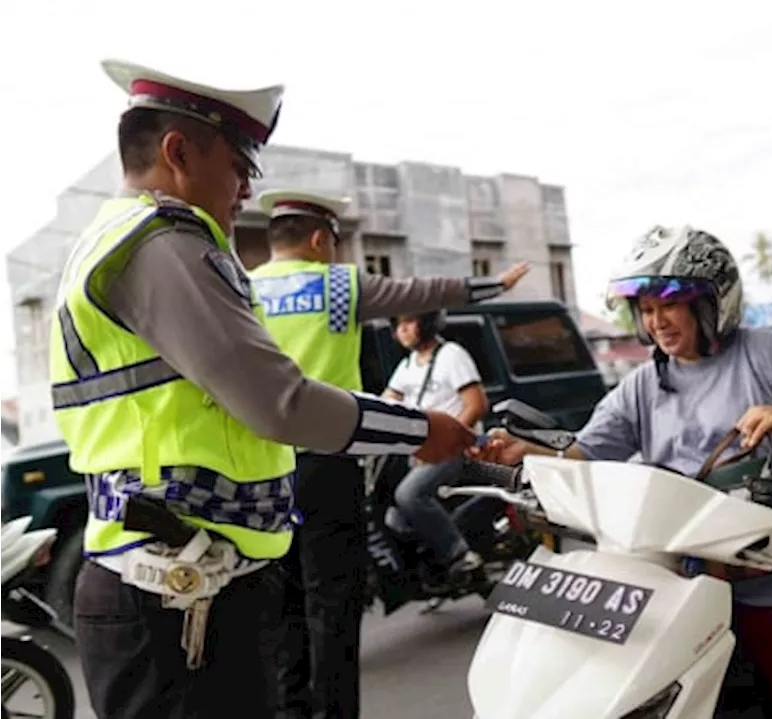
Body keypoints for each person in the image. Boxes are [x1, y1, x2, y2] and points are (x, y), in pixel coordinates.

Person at [54, 59, 476, 719]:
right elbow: (280, 402)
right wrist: (423, 429)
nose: (248, 187)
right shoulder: (161, 243)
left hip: (185, 572)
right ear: (177, 151)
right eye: (241, 163)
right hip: (172, 592)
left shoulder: (121, 241)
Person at [474, 226, 772, 719]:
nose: (657, 322)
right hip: (673, 579)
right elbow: (585, 453)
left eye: (668, 305)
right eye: (646, 311)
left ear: (712, 304)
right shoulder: (644, 385)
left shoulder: (766, 351)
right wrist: (528, 455)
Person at [247, 190, 530, 719]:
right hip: (327, 464)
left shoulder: (242, 288)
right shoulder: (338, 285)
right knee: (331, 605)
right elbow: (418, 289)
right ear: (318, 239)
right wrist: (491, 284)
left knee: (281, 605)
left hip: (260, 473)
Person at [385, 311, 491, 586]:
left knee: (409, 495)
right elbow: (386, 402)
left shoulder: (451, 355)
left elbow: (476, 405)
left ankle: (460, 554)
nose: (402, 330)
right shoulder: (408, 364)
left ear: (427, 323)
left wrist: (442, 443)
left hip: (456, 449)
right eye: (398, 325)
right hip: (421, 452)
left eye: (408, 322)